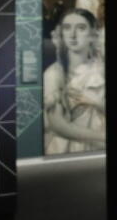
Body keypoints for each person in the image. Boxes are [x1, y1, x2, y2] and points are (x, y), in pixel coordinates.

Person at [42, 9, 106, 155]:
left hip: (99, 149)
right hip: (68, 149)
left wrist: (96, 103)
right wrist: (103, 137)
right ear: (61, 34)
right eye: (67, 28)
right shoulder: (53, 74)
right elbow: (58, 126)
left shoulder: (100, 69)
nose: (72, 35)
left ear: (92, 34)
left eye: (81, 28)